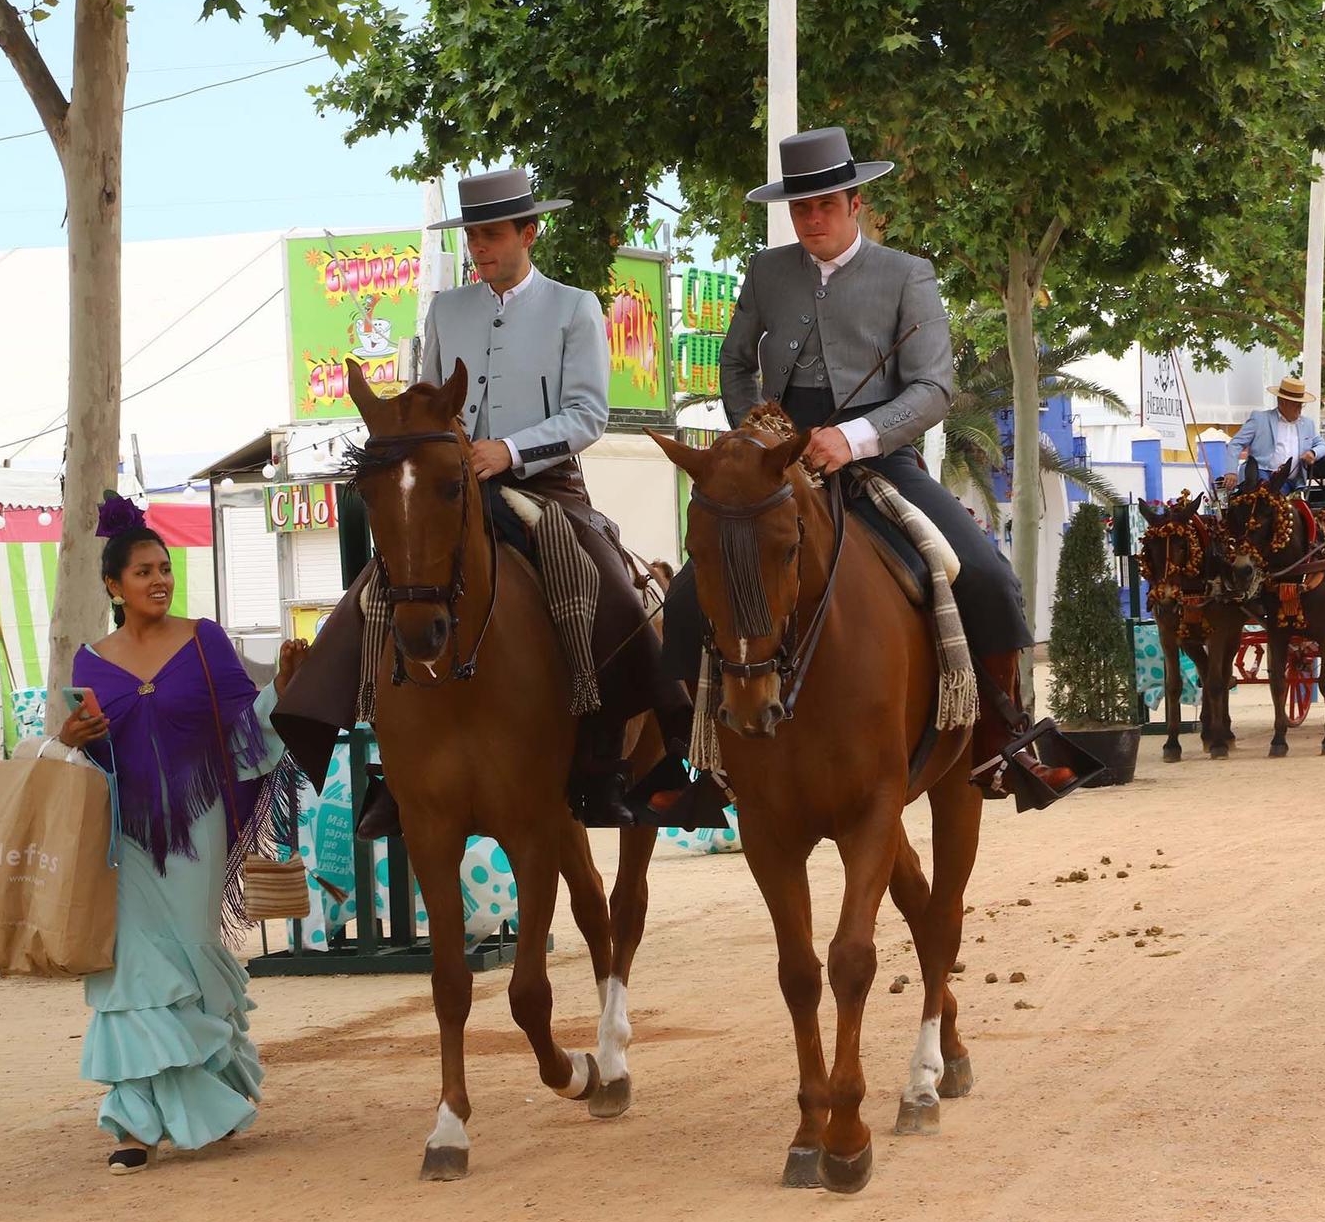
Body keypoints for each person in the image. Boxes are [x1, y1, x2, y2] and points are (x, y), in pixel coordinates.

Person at [660, 125, 1073, 807]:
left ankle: (1006, 744)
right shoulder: (766, 272)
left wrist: (852, 438)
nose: (811, 218)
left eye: (824, 204)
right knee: (684, 598)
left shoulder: (908, 274)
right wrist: (758, 431)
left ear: (856, 203)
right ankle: (694, 760)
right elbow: (735, 361)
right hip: (777, 466)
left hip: (879, 458)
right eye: (800, 207)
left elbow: (934, 387)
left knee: (990, 579)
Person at [413, 168, 690, 827]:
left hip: (545, 485)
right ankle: (382, 749)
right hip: (455, 491)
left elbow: (588, 414)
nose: (480, 247)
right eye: (473, 235)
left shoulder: (574, 307)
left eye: (492, 234)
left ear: (529, 231)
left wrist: (507, 451)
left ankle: (624, 752)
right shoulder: (445, 311)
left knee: (606, 584)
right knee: (383, 580)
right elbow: (426, 403)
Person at [57, 492, 308, 1175]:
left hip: (199, 826)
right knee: (133, 971)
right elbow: (91, 757)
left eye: (164, 569)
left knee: (194, 955)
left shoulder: (204, 642)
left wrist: (282, 687)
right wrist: (71, 737)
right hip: (126, 836)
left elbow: (244, 732)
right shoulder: (91, 662)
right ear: (113, 586)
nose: (159, 581)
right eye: (143, 572)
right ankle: (134, 1124)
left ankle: (216, 1090)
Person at [1220, 376, 1325, 492]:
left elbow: (1322, 445)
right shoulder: (1260, 419)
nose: (1300, 408)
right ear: (1283, 402)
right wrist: (1231, 471)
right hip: (1262, 477)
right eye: (1296, 404)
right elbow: (1236, 443)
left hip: (1292, 482)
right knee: (1268, 493)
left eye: (1301, 404)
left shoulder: (1307, 424)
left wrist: (1313, 453)